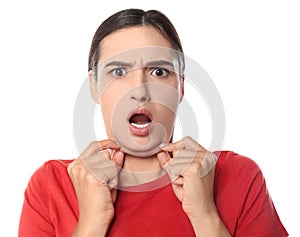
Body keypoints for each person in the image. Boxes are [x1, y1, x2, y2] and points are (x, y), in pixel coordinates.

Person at [18, 8, 288, 237]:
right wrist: (90, 224)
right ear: (94, 86)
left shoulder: (240, 176)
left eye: (159, 71)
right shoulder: (51, 185)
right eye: (119, 72)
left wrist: (206, 217)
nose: (140, 90)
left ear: (180, 86)